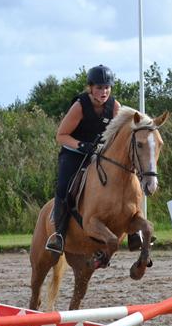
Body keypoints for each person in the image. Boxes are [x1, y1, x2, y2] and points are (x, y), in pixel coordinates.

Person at [45, 64, 121, 254]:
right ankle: (59, 235)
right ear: (90, 88)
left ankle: (135, 231)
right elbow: (61, 135)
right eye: (99, 87)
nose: (104, 92)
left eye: (107, 87)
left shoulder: (115, 107)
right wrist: (81, 145)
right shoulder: (79, 107)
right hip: (74, 153)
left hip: (98, 155)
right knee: (64, 187)